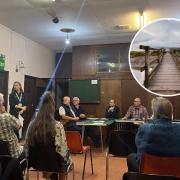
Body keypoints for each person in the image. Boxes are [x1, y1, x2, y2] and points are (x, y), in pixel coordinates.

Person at [26, 92, 72, 180]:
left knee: (49, 155)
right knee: (64, 160)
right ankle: (53, 175)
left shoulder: (32, 125)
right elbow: (63, 149)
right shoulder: (57, 125)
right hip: (53, 164)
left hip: (35, 163)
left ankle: (50, 175)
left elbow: (27, 146)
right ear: (52, 107)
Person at [127, 97, 180, 172]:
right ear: (171, 112)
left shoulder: (145, 128)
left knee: (131, 157)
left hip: (149, 170)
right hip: (174, 171)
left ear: (154, 113)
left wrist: (149, 122)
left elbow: (138, 144)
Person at [0, 93, 26, 178]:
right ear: (1, 104)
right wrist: (4, 112)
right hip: (12, 155)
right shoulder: (6, 116)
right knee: (25, 151)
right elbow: (18, 125)